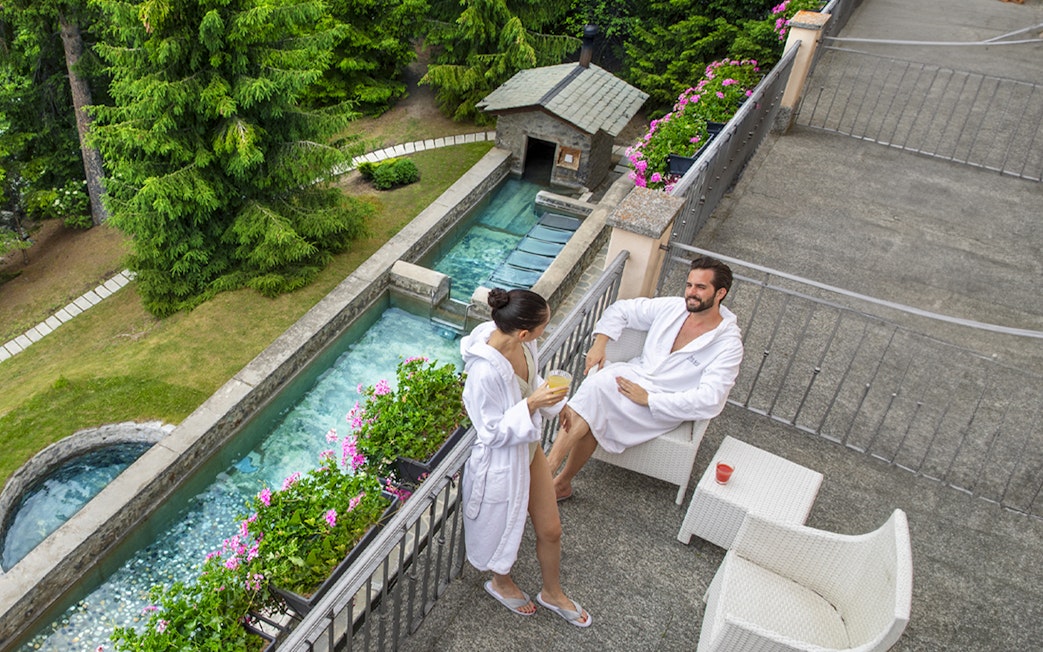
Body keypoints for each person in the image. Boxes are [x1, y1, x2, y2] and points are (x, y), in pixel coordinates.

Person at [548, 256, 744, 501]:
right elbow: (621, 310)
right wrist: (600, 343)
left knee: (593, 400)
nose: (691, 293)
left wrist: (650, 399)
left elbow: (711, 400)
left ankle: (551, 475)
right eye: (689, 285)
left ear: (720, 293)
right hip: (634, 376)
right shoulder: (673, 308)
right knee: (595, 388)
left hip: (663, 402)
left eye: (701, 287)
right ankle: (554, 477)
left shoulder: (727, 345)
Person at [459, 287, 592, 627]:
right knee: (503, 528)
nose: (545, 330)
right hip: (503, 459)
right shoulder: (484, 373)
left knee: (551, 529)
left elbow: (532, 381)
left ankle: (553, 593)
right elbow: (490, 431)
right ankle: (501, 582)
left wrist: (559, 404)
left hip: (528, 451)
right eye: (543, 325)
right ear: (522, 331)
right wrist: (531, 405)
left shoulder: (525, 344)